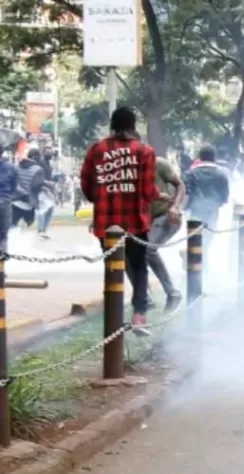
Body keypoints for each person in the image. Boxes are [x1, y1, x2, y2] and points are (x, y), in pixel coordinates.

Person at [79, 106, 161, 328]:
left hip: (106, 223)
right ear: (133, 125)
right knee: (139, 266)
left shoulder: (96, 150)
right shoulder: (145, 151)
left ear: (112, 125)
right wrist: (159, 196)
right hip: (135, 222)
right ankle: (139, 315)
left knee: (113, 267)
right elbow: (147, 191)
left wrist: (101, 197)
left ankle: (113, 318)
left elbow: (86, 185)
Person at [148, 153, 186, 311]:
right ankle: (144, 295)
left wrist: (175, 207)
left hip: (165, 216)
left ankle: (172, 292)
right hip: (144, 220)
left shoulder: (158, 163)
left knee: (147, 249)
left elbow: (180, 185)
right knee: (130, 252)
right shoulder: (125, 167)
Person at [183, 144, 231, 261]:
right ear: (214, 157)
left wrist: (183, 209)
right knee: (207, 240)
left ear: (200, 157)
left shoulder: (190, 173)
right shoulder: (221, 174)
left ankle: (193, 262)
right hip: (212, 212)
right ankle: (200, 267)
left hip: (194, 212)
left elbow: (186, 193)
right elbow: (225, 197)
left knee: (194, 239)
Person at [0, 145, 18, 253]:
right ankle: (1, 267)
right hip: (4, 203)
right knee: (3, 237)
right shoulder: (11, 167)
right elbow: (14, 186)